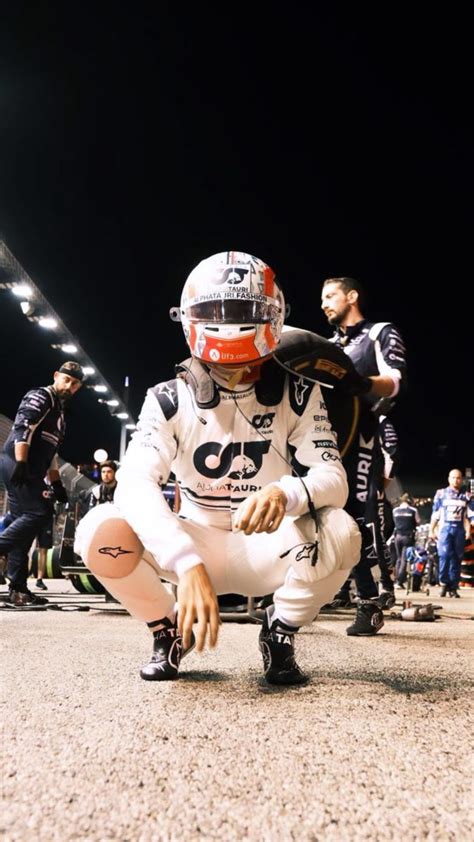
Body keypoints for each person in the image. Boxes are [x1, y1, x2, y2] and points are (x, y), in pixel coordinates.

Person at [76, 251, 361, 685]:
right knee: (99, 532)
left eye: (247, 363)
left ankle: (280, 631)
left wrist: (285, 493)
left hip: (267, 542)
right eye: (220, 365)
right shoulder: (167, 396)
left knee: (341, 531)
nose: (234, 376)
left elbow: (333, 480)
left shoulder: (299, 392)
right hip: (196, 539)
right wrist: (184, 562)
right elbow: (134, 482)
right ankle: (166, 630)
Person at [321, 276, 407, 634]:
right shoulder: (323, 345)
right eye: (322, 298)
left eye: (330, 296)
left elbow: (396, 381)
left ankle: (370, 602)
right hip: (322, 441)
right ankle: (302, 593)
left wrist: (363, 383)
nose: (324, 303)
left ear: (351, 297)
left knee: (359, 518)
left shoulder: (380, 332)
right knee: (317, 515)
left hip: (363, 436)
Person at [0, 361, 83, 605]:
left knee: (22, 525)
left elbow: (51, 453)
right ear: (56, 376)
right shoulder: (42, 396)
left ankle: (17, 588)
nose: (70, 386)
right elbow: (24, 426)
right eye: (66, 380)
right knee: (39, 512)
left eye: (75, 383)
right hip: (18, 464)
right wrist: (22, 462)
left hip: (34, 469)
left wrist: (57, 485)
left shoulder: (60, 413)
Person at [428, 468, 472, 598]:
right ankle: (443, 584)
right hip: (445, 529)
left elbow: (470, 516)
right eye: (453, 477)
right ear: (449, 479)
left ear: (461, 479)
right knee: (444, 556)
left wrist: (468, 530)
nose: (456, 480)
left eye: (458, 478)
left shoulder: (467, 496)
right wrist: (431, 530)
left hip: (459, 530)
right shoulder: (441, 494)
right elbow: (435, 514)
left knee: (457, 558)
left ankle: (453, 587)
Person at [392, 493, 420, 588]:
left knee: (398, 559)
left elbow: (393, 522)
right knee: (404, 559)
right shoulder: (413, 510)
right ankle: (400, 580)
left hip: (397, 536)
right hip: (408, 537)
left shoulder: (395, 510)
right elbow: (418, 521)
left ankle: (396, 580)